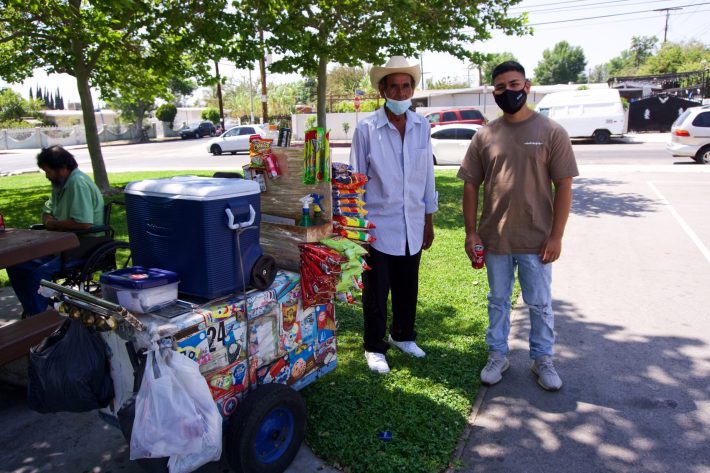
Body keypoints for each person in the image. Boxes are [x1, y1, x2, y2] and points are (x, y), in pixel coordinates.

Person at [457, 61, 579, 391]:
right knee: (497, 301)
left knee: (540, 304)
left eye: (514, 84)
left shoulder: (551, 132)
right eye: (500, 87)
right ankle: (498, 355)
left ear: (527, 85)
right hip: (495, 239)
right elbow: (470, 185)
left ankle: (544, 360)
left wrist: (557, 236)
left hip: (538, 240)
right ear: (493, 91)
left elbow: (564, 185)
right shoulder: (486, 135)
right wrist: (471, 232)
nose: (508, 92)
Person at [349, 56, 438, 374]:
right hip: (376, 226)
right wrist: (356, 229)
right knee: (375, 290)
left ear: (412, 89)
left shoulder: (421, 126)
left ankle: (403, 335)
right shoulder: (366, 129)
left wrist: (429, 219)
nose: (401, 94)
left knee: (407, 284)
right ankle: (374, 346)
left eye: (406, 87)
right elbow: (355, 181)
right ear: (382, 90)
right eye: (394, 87)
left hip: (412, 223)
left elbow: (427, 175)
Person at [7, 145, 104, 317]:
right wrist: (49, 220)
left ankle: (39, 319)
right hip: (62, 243)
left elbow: (84, 224)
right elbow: (47, 210)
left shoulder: (77, 183)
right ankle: (34, 312)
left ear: (63, 168)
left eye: (48, 171)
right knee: (16, 265)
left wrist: (53, 224)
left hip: (83, 244)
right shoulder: (60, 183)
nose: (47, 175)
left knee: (38, 275)